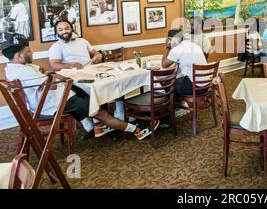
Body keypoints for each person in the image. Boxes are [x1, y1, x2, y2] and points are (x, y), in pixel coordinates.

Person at [1, 34, 154, 140]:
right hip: (55, 104)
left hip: (49, 101)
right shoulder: (25, 70)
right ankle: (136, 130)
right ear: (19, 56)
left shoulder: (12, 67)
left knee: (86, 93)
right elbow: (51, 86)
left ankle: (98, 127)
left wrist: (51, 75)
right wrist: (58, 79)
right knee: (100, 111)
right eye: (28, 51)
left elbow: (42, 72)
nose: (31, 52)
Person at [161, 29, 207, 97]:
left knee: (167, 85)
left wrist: (168, 47)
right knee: (176, 81)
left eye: (170, 39)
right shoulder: (193, 45)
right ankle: (181, 103)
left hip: (194, 88)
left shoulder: (177, 49)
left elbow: (164, 65)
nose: (169, 42)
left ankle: (173, 107)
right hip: (206, 85)